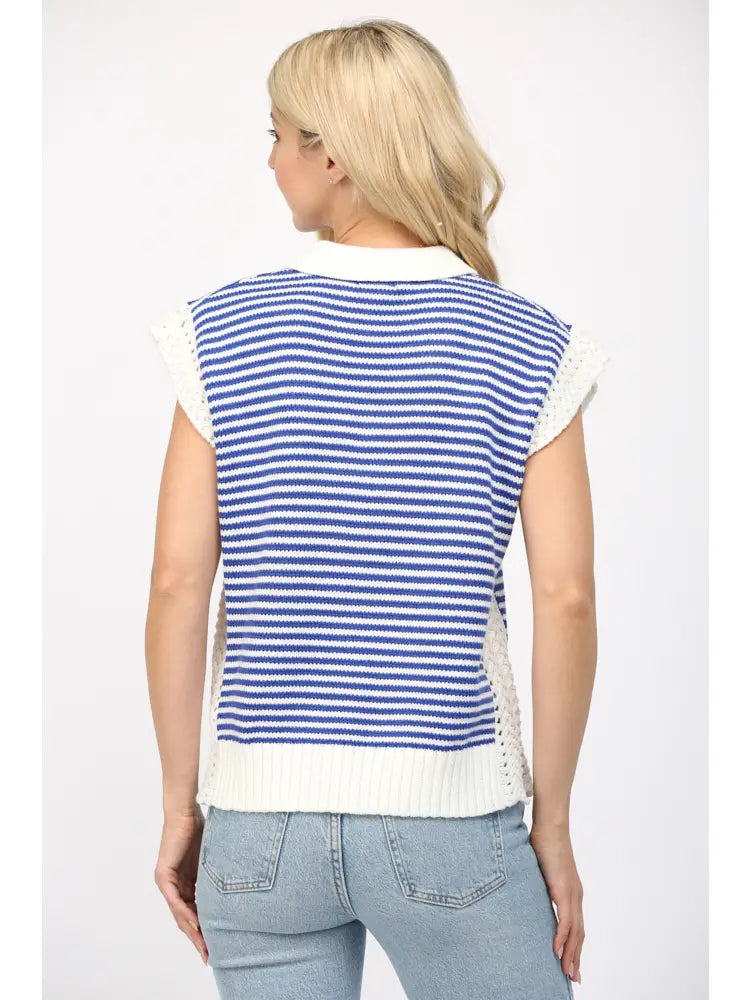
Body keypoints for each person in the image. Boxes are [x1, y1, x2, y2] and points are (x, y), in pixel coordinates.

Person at [145, 18, 610, 1000]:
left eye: (278, 135)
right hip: (452, 822)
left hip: (257, 832)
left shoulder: (220, 332)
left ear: (335, 156)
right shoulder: (529, 344)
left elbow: (180, 583)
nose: (271, 160)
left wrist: (182, 804)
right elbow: (566, 597)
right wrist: (555, 826)